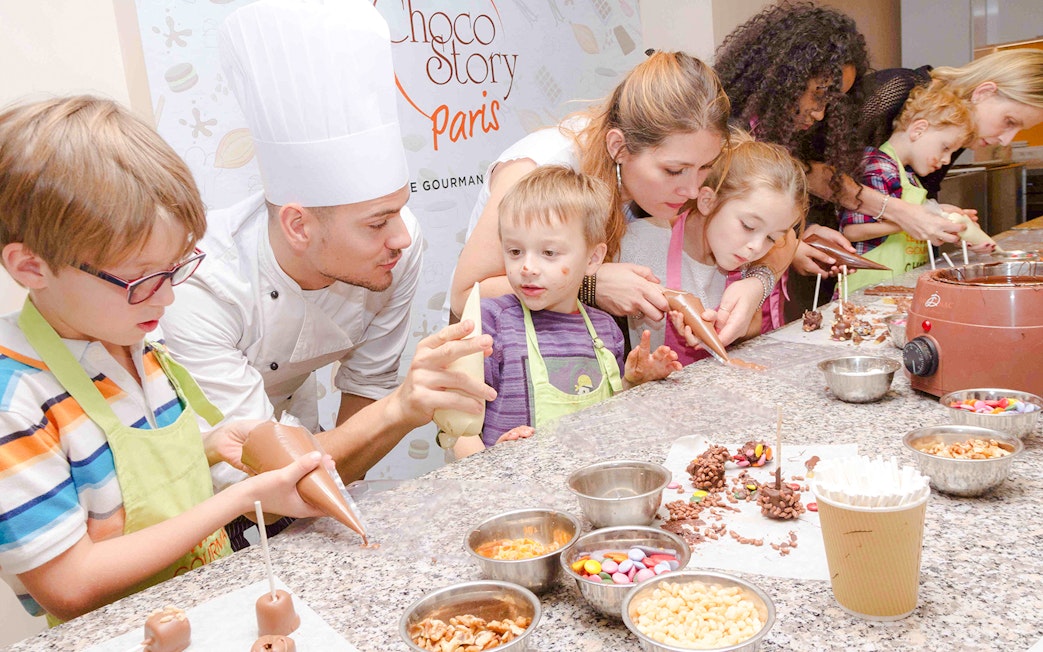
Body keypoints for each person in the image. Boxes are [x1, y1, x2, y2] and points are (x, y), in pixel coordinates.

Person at [160, 0, 494, 548]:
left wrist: (387, 419)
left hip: (299, 440)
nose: (403, 239)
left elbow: (364, 399)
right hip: (203, 479)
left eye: (399, 212)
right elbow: (259, 471)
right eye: (377, 223)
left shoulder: (394, 252)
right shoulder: (200, 284)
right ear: (298, 226)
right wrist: (401, 408)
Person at [0, 96, 327, 622]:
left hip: (205, 609)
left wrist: (209, 449)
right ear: (30, 266)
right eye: (140, 278)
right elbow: (69, 583)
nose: (167, 297)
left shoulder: (132, 340)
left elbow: (121, 483)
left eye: (175, 268)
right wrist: (238, 501)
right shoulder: (17, 401)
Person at [449, 51, 796, 353]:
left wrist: (757, 283)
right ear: (618, 147)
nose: (692, 190)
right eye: (674, 171)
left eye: (706, 168)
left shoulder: (687, 157)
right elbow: (465, 295)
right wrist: (589, 284)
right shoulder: (540, 169)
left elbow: (786, 238)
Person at [454, 166, 680, 459]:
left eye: (549, 253)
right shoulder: (491, 324)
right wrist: (490, 464)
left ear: (593, 258)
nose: (527, 267)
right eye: (514, 252)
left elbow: (607, 413)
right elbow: (458, 428)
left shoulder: (605, 329)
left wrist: (632, 383)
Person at [621, 135, 808, 363]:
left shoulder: (750, 259)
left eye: (771, 237)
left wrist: (755, 287)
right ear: (708, 201)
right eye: (748, 226)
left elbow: (788, 239)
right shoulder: (641, 241)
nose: (756, 247)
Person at [841, 83, 978, 292]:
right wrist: (912, 222)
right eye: (945, 148)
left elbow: (918, 218)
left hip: (898, 286)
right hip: (867, 289)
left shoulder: (910, 177)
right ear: (918, 129)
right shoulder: (878, 166)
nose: (946, 160)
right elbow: (852, 230)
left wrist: (942, 218)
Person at [860, 49, 1043, 198]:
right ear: (983, 93)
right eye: (1009, 121)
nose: (1006, 140)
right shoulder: (898, 87)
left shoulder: (958, 131)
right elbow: (832, 173)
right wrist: (900, 213)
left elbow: (924, 195)